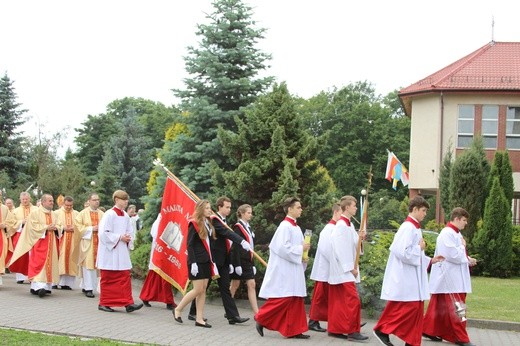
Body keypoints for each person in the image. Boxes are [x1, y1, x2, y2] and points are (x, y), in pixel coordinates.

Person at [373, 195, 444, 346]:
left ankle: (411, 342)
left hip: (411, 277)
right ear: (415, 209)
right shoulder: (408, 227)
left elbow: (414, 253)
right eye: (423, 210)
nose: (425, 214)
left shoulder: (414, 227)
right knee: (409, 309)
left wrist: (430, 260)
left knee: (416, 310)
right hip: (405, 276)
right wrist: (420, 248)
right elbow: (402, 251)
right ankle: (383, 329)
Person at [188, 196, 251, 325]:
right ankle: (193, 312)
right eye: (226, 207)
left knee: (225, 288)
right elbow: (227, 233)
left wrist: (231, 262)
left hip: (222, 261)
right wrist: (241, 240)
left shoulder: (222, 220)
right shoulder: (214, 220)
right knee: (202, 287)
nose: (229, 210)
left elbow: (227, 243)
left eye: (230, 207)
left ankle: (232, 316)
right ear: (219, 207)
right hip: (212, 260)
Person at [255, 197, 310, 339]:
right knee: (284, 298)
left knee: (295, 298)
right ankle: (261, 317)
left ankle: (294, 329)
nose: (301, 209)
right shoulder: (285, 226)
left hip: (293, 267)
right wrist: (300, 248)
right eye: (298, 207)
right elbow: (281, 247)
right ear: (290, 209)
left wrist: (303, 255)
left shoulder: (295, 227)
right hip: (285, 269)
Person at [422, 207, 477, 346]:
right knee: (458, 308)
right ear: (457, 219)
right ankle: (461, 337)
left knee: (437, 306)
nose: (466, 223)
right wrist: (463, 248)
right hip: (451, 279)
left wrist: (468, 259)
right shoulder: (447, 233)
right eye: (464, 220)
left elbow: (457, 254)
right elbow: (452, 255)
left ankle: (429, 329)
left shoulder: (455, 234)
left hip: (450, 278)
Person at [327, 196, 369, 341]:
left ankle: (335, 328)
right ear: (346, 208)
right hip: (343, 270)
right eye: (354, 205)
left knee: (340, 301)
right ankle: (352, 331)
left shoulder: (348, 225)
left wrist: (360, 239)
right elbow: (341, 249)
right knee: (352, 300)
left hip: (345, 269)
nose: (356, 208)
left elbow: (353, 246)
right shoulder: (341, 226)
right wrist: (351, 268)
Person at [96, 190, 142, 313]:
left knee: (124, 277)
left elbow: (130, 231)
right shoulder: (109, 214)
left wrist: (128, 238)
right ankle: (104, 302)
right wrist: (119, 237)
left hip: (121, 251)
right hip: (109, 252)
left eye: (127, 199)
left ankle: (128, 302)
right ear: (116, 200)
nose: (126, 202)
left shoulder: (126, 216)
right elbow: (103, 233)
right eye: (123, 199)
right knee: (108, 277)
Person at [174, 199, 217, 328]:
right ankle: (178, 309)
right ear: (200, 210)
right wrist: (193, 263)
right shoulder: (194, 223)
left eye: (210, 208)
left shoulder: (207, 223)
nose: (210, 210)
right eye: (207, 208)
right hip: (196, 261)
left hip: (206, 260)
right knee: (197, 289)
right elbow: (190, 245)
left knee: (203, 290)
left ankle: (199, 318)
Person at [8, 194, 59, 297]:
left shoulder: (54, 214)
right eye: (50, 201)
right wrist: (46, 228)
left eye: (52, 201)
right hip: (39, 243)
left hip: (51, 244)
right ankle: (38, 287)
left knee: (50, 264)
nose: (52, 203)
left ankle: (46, 287)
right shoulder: (35, 213)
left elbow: (60, 225)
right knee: (38, 264)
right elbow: (32, 227)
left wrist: (57, 228)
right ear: (43, 202)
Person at [307, 202, 341, 333]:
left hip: (332, 269)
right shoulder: (329, 229)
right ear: (336, 212)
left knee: (332, 298)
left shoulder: (338, 228)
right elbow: (325, 248)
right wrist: (337, 263)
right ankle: (313, 321)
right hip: (325, 269)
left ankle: (341, 320)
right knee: (320, 297)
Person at [139, 214, 176, 310]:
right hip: (160, 251)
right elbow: (155, 233)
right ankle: (169, 301)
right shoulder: (160, 218)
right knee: (162, 276)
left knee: (157, 277)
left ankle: (146, 296)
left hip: (167, 251)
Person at [229, 204, 258, 314]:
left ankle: (257, 312)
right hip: (239, 260)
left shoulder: (248, 227)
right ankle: (229, 309)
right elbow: (235, 247)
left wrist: (253, 263)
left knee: (251, 284)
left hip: (248, 260)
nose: (251, 215)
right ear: (241, 213)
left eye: (251, 213)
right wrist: (236, 264)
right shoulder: (238, 227)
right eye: (248, 213)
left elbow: (251, 248)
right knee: (235, 285)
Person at [75, 193, 104, 298]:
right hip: (88, 244)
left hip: (99, 243)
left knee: (96, 267)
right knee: (88, 266)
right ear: (89, 201)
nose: (97, 202)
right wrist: (91, 229)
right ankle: (89, 288)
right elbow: (77, 227)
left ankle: (89, 286)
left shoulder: (102, 214)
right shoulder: (82, 213)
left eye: (98, 200)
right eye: (94, 200)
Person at [10, 191, 38, 284]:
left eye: (26, 199)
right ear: (20, 200)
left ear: (30, 199)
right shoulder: (16, 211)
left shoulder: (36, 209)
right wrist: (21, 222)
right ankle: (20, 277)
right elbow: (12, 223)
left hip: (32, 236)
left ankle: (31, 275)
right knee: (21, 255)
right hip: (20, 235)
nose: (25, 201)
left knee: (32, 256)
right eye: (23, 199)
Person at [54, 196, 80, 290]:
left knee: (71, 261)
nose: (69, 207)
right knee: (59, 260)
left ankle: (67, 284)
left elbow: (80, 226)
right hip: (61, 240)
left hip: (73, 241)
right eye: (67, 205)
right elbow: (54, 225)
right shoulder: (56, 213)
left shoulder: (77, 213)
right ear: (63, 204)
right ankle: (55, 282)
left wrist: (75, 228)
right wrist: (62, 228)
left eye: (71, 205)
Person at [0, 197, 16, 286]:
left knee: (1, 255)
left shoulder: (4, 208)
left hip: (2, 236)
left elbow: (11, 221)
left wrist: (5, 225)